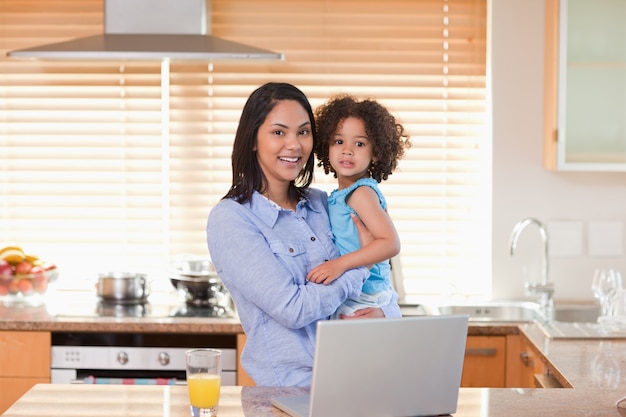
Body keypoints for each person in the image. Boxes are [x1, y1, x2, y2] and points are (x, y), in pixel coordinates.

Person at [206, 82, 401, 387]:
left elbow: (383, 279)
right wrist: (357, 267)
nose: (294, 145)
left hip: (359, 382)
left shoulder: (325, 203)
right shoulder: (232, 219)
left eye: (303, 131)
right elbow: (293, 309)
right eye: (279, 132)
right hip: (292, 395)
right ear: (253, 139)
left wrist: (384, 314)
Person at [307, 94, 411, 318]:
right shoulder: (342, 195)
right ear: (327, 147)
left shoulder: (360, 193)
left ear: (376, 154)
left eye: (359, 143)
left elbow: (390, 243)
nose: (347, 150)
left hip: (366, 296)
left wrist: (338, 265)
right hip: (358, 293)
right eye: (338, 141)